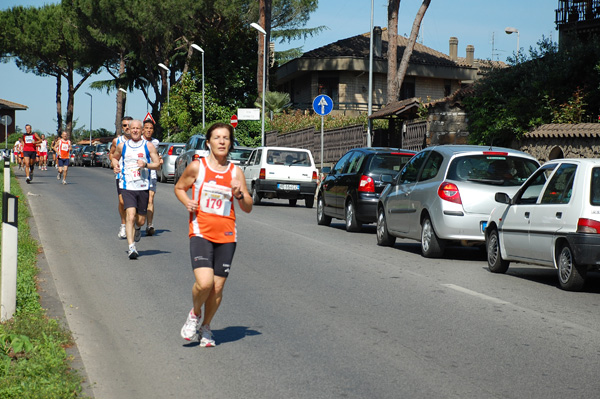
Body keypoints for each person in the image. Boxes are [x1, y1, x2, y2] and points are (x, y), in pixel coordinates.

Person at [175, 122, 252, 347]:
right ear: (208, 142)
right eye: (216, 137)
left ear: (230, 143)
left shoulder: (235, 172)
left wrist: (239, 194)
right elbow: (179, 187)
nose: (221, 141)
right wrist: (187, 201)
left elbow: (248, 206)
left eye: (225, 138)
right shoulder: (197, 167)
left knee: (217, 287)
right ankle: (195, 313)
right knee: (205, 282)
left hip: (227, 235)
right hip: (200, 231)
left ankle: (206, 328)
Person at [111, 119, 161, 259]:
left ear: (142, 130)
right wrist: (115, 165)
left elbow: (157, 165)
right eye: (132, 128)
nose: (134, 130)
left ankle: (138, 229)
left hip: (143, 186)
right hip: (127, 185)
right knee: (130, 215)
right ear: (129, 130)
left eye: (137, 129)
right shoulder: (122, 146)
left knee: (140, 220)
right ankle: (132, 248)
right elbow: (115, 158)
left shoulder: (148, 146)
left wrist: (145, 164)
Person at [110, 116, 133, 239]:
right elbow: (112, 154)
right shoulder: (117, 141)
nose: (127, 127)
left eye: (129, 124)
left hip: (137, 176)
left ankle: (135, 225)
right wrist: (114, 164)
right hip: (122, 175)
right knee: (122, 201)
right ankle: (124, 225)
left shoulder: (140, 140)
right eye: (124, 125)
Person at [142, 119, 163, 236]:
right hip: (140, 174)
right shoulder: (138, 142)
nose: (149, 130)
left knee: (150, 198)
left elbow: (157, 155)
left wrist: (160, 160)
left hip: (152, 174)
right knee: (141, 200)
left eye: (151, 128)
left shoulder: (155, 142)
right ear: (142, 129)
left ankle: (149, 225)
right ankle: (137, 223)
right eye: (146, 128)